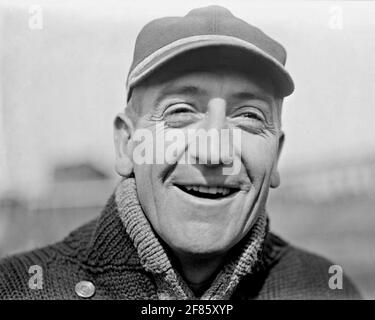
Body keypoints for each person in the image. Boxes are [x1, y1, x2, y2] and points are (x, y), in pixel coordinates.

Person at [0, 5, 361, 300]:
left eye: (249, 117)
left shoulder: (327, 289)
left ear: (277, 156)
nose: (214, 151)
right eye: (180, 112)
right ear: (127, 144)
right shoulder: (18, 289)